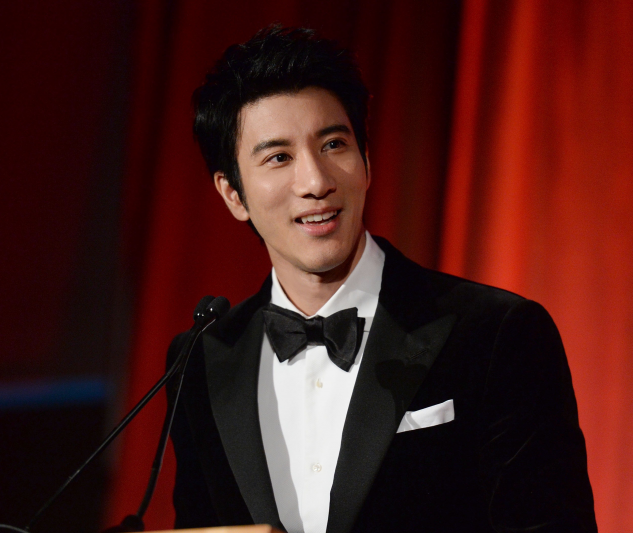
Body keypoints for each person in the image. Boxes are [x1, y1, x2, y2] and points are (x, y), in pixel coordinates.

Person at [169, 25, 597, 533]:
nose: (316, 181)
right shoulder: (201, 359)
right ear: (233, 194)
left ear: (366, 161)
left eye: (333, 144)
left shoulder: (498, 334)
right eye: (279, 157)